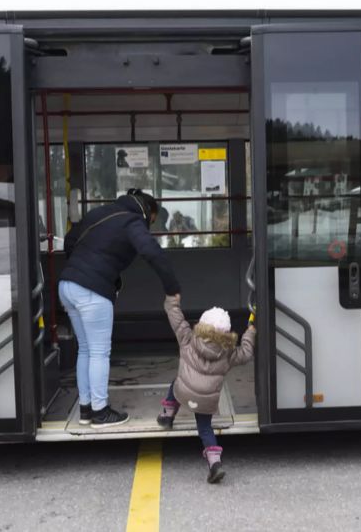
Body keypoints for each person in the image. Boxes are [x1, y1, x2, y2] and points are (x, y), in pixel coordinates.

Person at [59, 188, 180, 428]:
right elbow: (151, 251)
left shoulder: (100, 212)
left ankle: (86, 409)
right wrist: (171, 287)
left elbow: (69, 241)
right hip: (92, 291)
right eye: (152, 221)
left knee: (85, 349)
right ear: (148, 211)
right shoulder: (132, 220)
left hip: (67, 286)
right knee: (99, 352)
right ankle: (100, 412)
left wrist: (82, 268)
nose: (150, 226)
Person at [157, 294, 256, 483]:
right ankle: (214, 464)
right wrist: (250, 331)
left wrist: (173, 301)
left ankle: (167, 416)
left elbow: (176, 318)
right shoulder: (228, 353)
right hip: (205, 401)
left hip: (183, 392)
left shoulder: (187, 338)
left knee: (177, 382)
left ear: (202, 325)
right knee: (205, 429)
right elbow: (246, 353)